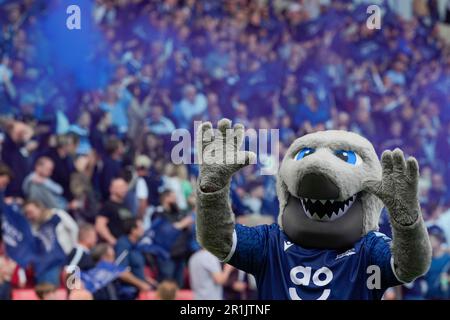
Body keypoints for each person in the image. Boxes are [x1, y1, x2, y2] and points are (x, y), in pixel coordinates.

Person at [23, 200, 79, 285]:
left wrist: (73, 249)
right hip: (49, 264)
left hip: (69, 258)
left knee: (73, 286)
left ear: (39, 208)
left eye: (30, 212)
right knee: (50, 290)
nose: (29, 216)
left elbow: (74, 228)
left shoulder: (57, 213)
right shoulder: (33, 227)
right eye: (26, 214)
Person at [41, 133, 79, 201]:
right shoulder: (48, 155)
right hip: (51, 193)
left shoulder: (68, 158)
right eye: (69, 144)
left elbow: (73, 174)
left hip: (66, 193)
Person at [95, 178, 133, 245]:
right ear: (112, 189)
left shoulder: (126, 205)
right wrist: (113, 241)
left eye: (125, 187)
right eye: (121, 187)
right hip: (116, 246)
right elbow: (100, 226)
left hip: (127, 244)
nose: (124, 189)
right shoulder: (108, 206)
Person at [424, 226, 450, 300]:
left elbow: (445, 281)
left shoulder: (448, 259)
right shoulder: (426, 260)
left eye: (431, 238)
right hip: (428, 296)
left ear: (439, 240)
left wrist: (446, 279)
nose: (428, 241)